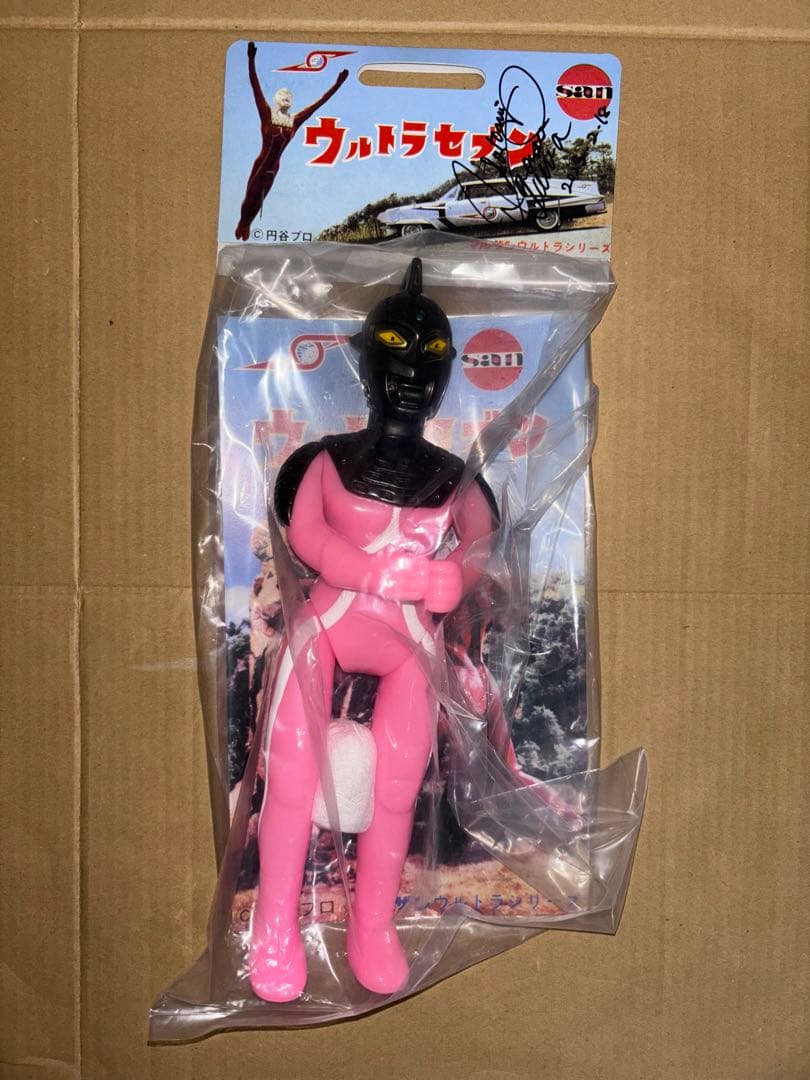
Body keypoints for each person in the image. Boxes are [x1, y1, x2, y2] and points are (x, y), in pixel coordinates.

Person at [249, 259, 497, 1001]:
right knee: (292, 779)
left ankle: (374, 926)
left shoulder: (454, 478)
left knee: (395, 788)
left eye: (431, 357)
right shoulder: (328, 461)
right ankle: (273, 926)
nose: (412, 375)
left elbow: (481, 545)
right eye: (394, 350)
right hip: (326, 626)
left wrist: (455, 579)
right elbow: (305, 532)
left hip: (408, 643)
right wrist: (362, 570)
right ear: (366, 361)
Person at [235, 42, 348, 240]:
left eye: (289, 97)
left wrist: (337, 85)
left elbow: (318, 103)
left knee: (259, 200)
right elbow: (256, 87)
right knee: (251, 196)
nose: (286, 98)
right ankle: (242, 224)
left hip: (274, 166)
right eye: (282, 95)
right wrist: (251, 60)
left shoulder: (295, 120)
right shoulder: (267, 114)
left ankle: (248, 225)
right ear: (276, 99)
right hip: (261, 162)